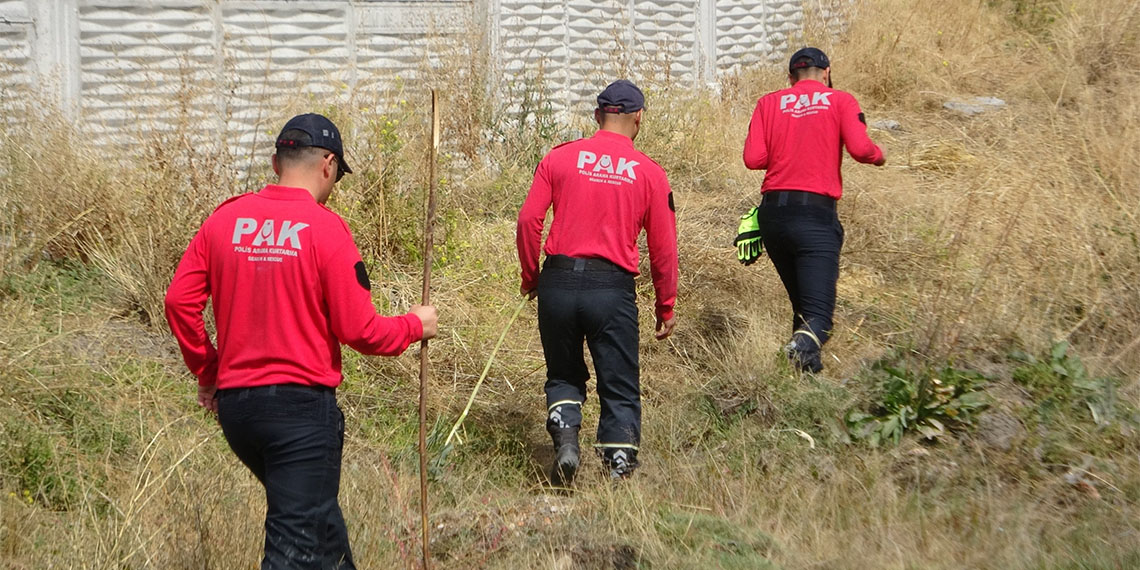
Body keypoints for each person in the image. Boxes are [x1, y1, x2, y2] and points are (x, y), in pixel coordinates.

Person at [164, 113, 438, 569]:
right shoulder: (326, 229)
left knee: (319, 530)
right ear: (328, 164)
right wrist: (414, 324)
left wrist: (209, 372)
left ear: (276, 162)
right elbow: (361, 331)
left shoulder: (224, 220)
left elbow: (179, 302)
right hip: (300, 419)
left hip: (239, 415)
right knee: (293, 548)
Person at [516, 80, 679, 485]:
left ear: (597, 116)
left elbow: (528, 221)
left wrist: (531, 276)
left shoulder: (560, 159)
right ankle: (619, 466)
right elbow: (664, 248)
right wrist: (666, 305)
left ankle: (567, 440)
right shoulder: (650, 174)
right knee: (618, 380)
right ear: (638, 117)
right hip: (611, 288)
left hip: (557, 281)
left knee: (563, 372)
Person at [741, 47, 885, 373]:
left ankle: (805, 383)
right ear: (827, 72)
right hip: (815, 218)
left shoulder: (768, 103)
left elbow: (753, 159)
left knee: (804, 309)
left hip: (773, 215)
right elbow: (862, 150)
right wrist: (880, 153)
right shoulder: (840, 100)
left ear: (791, 78)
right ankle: (799, 351)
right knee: (820, 318)